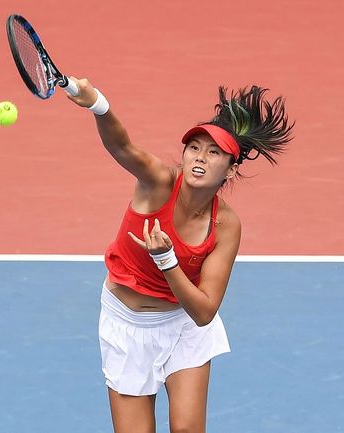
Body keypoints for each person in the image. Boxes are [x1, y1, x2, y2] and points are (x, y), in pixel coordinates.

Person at [66, 79, 293, 433]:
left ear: (231, 169)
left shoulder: (226, 225)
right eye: (194, 147)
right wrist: (98, 103)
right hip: (126, 325)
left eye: (214, 152)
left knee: (187, 429)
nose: (200, 157)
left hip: (182, 327)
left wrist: (166, 261)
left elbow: (203, 312)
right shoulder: (158, 182)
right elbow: (122, 147)